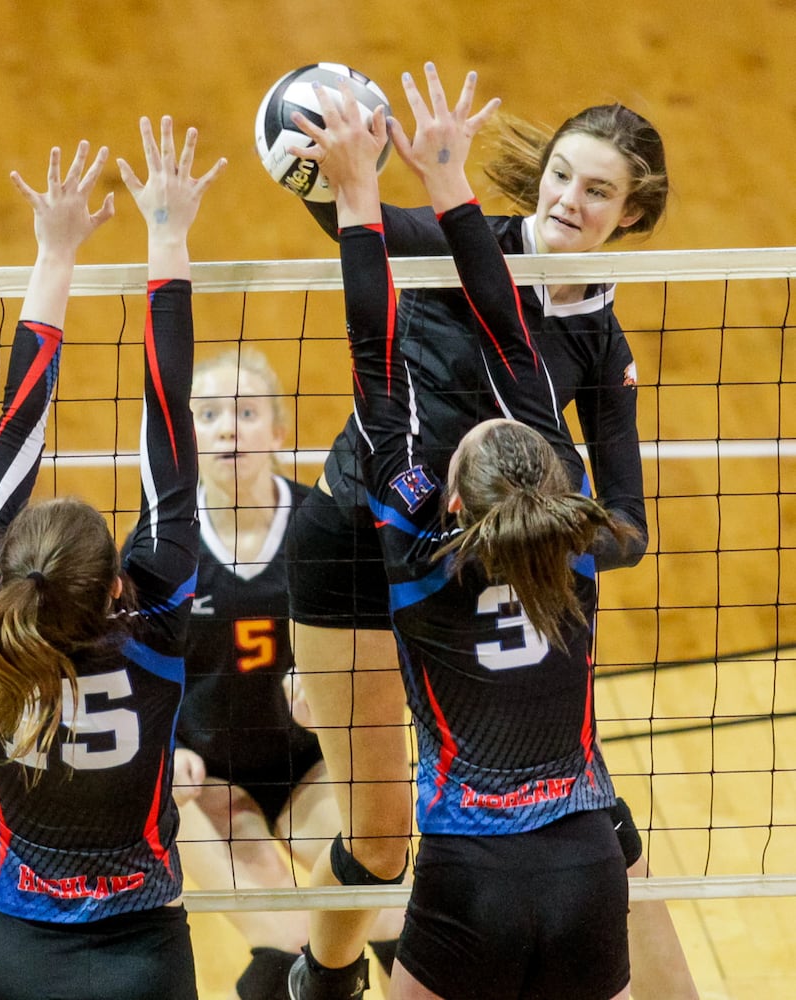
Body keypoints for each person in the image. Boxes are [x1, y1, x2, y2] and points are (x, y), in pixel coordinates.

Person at [279, 67, 681, 999]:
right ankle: (321, 977)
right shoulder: (459, 250)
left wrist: (537, 529)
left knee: (599, 827)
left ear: (631, 214)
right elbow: (357, 232)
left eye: (598, 190)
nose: (570, 202)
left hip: (492, 566)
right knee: (380, 840)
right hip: (363, 541)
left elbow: (626, 530)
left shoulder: (597, 345)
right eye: (561, 177)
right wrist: (346, 159)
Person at [0, 118, 223, 1000]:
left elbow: (14, 426)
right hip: (142, 954)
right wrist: (167, 234)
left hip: (14, 957)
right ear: (115, 582)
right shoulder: (158, 611)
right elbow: (169, 418)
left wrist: (53, 252)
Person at [136, 346, 403, 999]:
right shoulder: (161, 545)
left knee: (394, 909)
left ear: (278, 433)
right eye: (209, 415)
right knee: (286, 945)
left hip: (306, 764)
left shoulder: (323, 531)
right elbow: (127, 674)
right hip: (204, 786)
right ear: (189, 440)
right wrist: (166, 755)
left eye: (247, 412)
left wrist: (337, 697)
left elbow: (395, 646)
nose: (229, 428)